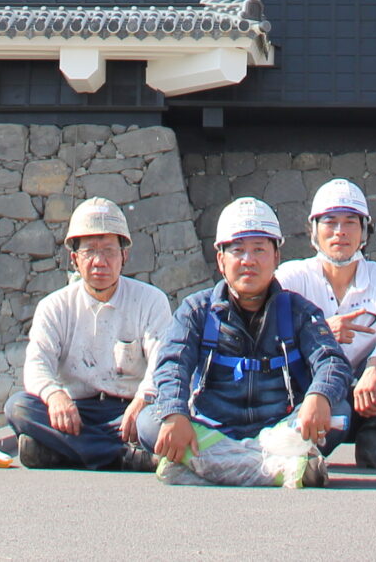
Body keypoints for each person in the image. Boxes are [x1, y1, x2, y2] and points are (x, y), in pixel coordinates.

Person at [140, 197, 352, 488]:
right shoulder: (195, 311)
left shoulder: (299, 311)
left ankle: (207, 467)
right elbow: (172, 365)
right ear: (220, 259)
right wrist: (175, 412)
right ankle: (279, 469)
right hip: (212, 428)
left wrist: (319, 395)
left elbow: (332, 360)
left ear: (276, 256)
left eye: (259, 250)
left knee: (337, 411)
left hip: (279, 429)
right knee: (150, 422)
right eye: (237, 251)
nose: (248, 261)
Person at [5, 197, 170, 471]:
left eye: (108, 251)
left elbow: (162, 362)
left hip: (129, 412)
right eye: (90, 251)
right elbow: (37, 364)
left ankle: (66, 451)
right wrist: (56, 396)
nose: (99, 261)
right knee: (19, 407)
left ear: (124, 256)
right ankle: (121, 456)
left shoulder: (151, 301)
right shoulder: (54, 306)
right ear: (74, 259)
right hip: (76, 412)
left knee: (154, 423)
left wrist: (143, 399)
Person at [276, 179, 376, 470]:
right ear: (314, 230)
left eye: (350, 222)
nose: (340, 232)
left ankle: (374, 435)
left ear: (365, 230)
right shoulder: (293, 276)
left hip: (369, 392)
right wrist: (320, 332)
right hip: (311, 387)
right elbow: (265, 325)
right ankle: (300, 442)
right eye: (330, 222)